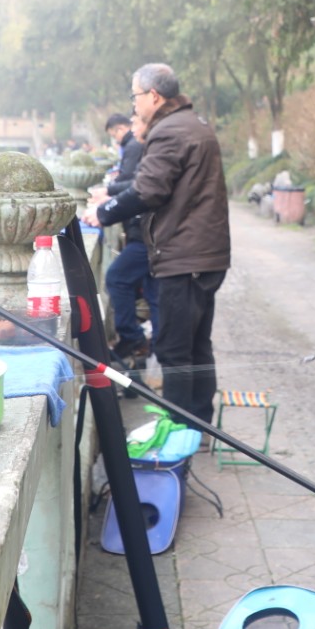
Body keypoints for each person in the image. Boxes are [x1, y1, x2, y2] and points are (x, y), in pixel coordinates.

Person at [95, 63, 231, 424]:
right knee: (197, 345)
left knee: (174, 349)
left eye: (135, 96)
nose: (134, 104)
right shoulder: (192, 123)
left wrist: (103, 212)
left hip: (184, 256)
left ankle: (179, 430)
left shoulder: (170, 130)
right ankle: (199, 426)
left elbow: (149, 190)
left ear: (153, 96)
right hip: (202, 254)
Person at [88, 112, 160, 362]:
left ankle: (134, 338)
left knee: (117, 278)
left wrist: (105, 208)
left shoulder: (140, 147)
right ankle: (154, 347)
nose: (132, 129)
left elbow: (138, 188)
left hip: (150, 235)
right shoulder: (147, 147)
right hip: (150, 234)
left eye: (136, 123)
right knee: (153, 293)